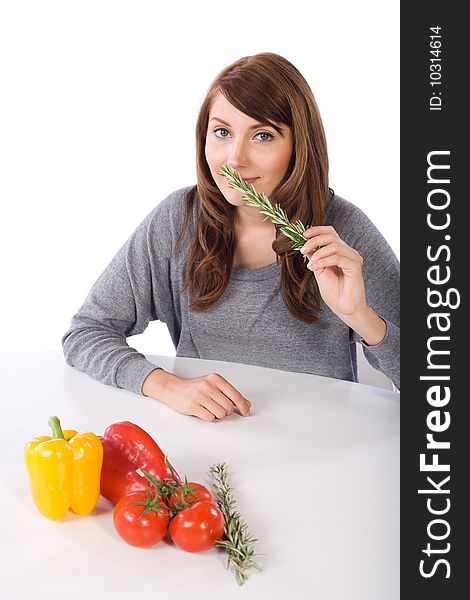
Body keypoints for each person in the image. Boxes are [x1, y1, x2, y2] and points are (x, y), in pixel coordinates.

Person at [62, 52, 400, 421]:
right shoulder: (178, 221)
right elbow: (86, 332)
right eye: (222, 132)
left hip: (322, 446)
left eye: (263, 135)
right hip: (209, 446)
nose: (234, 159)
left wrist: (361, 317)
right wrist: (164, 384)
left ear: (298, 147)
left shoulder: (343, 232)